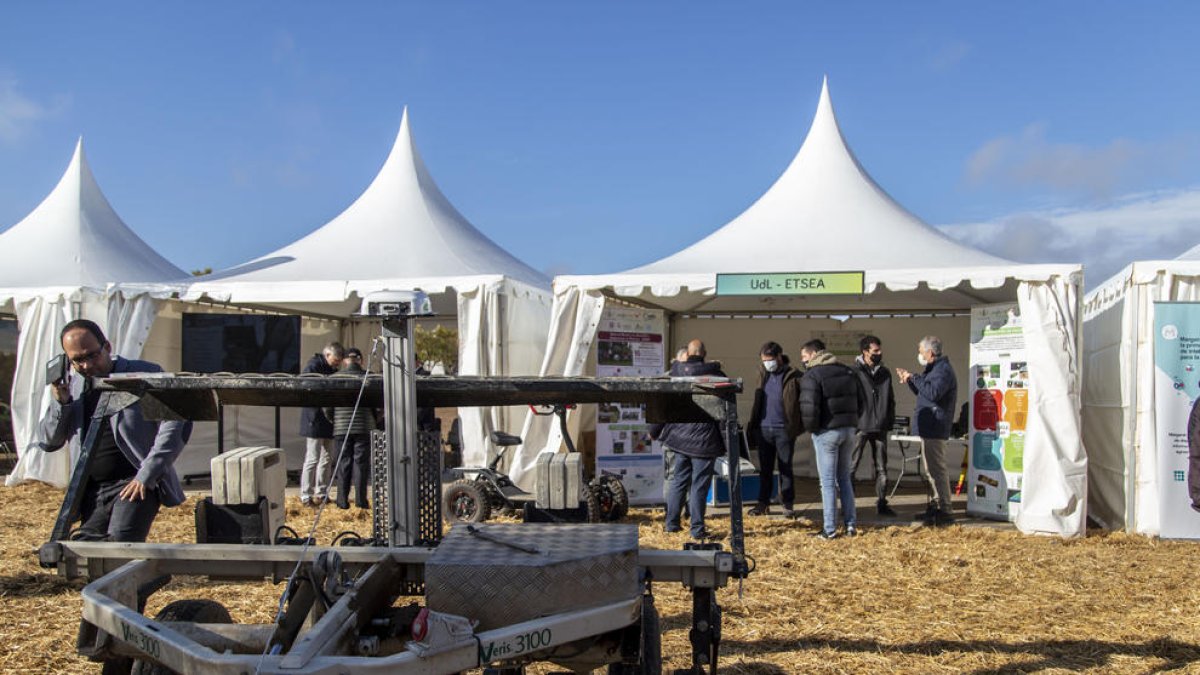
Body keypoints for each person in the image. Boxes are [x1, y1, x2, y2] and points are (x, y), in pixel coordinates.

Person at [35, 319, 191, 542]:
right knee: (89, 551)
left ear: (107, 347)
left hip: (133, 482)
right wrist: (62, 403)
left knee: (119, 546)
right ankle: (149, 576)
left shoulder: (144, 373)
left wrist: (147, 474)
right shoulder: (73, 387)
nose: (87, 365)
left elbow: (175, 424)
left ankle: (146, 573)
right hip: (91, 489)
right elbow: (49, 442)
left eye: (92, 355)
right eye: (77, 360)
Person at [651, 339, 725, 539]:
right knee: (699, 486)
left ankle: (671, 524)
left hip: (678, 437)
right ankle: (697, 529)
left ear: (687, 354)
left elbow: (662, 405)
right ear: (704, 354)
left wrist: (655, 430)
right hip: (704, 440)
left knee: (678, 482)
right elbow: (723, 409)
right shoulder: (715, 374)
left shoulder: (674, 373)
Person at [798, 339, 863, 539]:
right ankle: (851, 524)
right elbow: (861, 401)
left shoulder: (812, 375)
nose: (803, 360)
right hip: (849, 430)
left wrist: (812, 428)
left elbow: (808, 408)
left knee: (827, 482)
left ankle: (829, 528)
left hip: (826, 432)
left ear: (813, 354)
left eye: (804, 356)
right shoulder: (848, 371)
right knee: (844, 478)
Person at [895, 335, 958, 526]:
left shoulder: (943, 370)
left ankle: (945, 509)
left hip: (935, 426)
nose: (920, 355)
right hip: (929, 426)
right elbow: (925, 391)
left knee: (937, 469)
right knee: (931, 470)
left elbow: (933, 393)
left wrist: (914, 377)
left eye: (921, 352)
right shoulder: (933, 369)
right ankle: (936, 505)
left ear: (930, 353)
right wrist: (911, 380)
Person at [745, 341, 802, 517]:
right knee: (765, 469)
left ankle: (787, 503)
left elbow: (801, 404)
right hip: (764, 428)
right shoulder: (763, 374)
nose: (767, 363)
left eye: (769, 359)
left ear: (779, 357)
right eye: (764, 360)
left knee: (786, 467)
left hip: (784, 429)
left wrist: (797, 426)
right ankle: (763, 503)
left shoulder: (794, 376)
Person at [324, 347, 380, 509]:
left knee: (343, 463)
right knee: (361, 464)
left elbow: (327, 406)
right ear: (360, 360)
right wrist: (374, 420)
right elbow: (378, 405)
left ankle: (342, 501)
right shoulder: (369, 378)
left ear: (344, 361)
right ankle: (361, 501)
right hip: (364, 426)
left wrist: (334, 421)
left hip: (341, 428)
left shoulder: (334, 378)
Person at [851, 336, 897, 517]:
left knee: (882, 468)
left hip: (881, 426)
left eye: (879, 350)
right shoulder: (854, 371)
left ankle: (882, 503)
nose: (879, 353)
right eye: (875, 351)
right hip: (861, 426)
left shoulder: (885, 372)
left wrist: (889, 419)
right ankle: (848, 504)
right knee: (851, 466)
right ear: (865, 351)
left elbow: (891, 398)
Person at [299, 341, 343, 507]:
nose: (336, 364)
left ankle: (322, 492)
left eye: (339, 361)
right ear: (327, 355)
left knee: (326, 458)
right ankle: (306, 495)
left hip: (327, 420)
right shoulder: (313, 366)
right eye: (335, 360)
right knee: (312, 458)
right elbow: (305, 386)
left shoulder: (330, 368)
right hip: (314, 418)